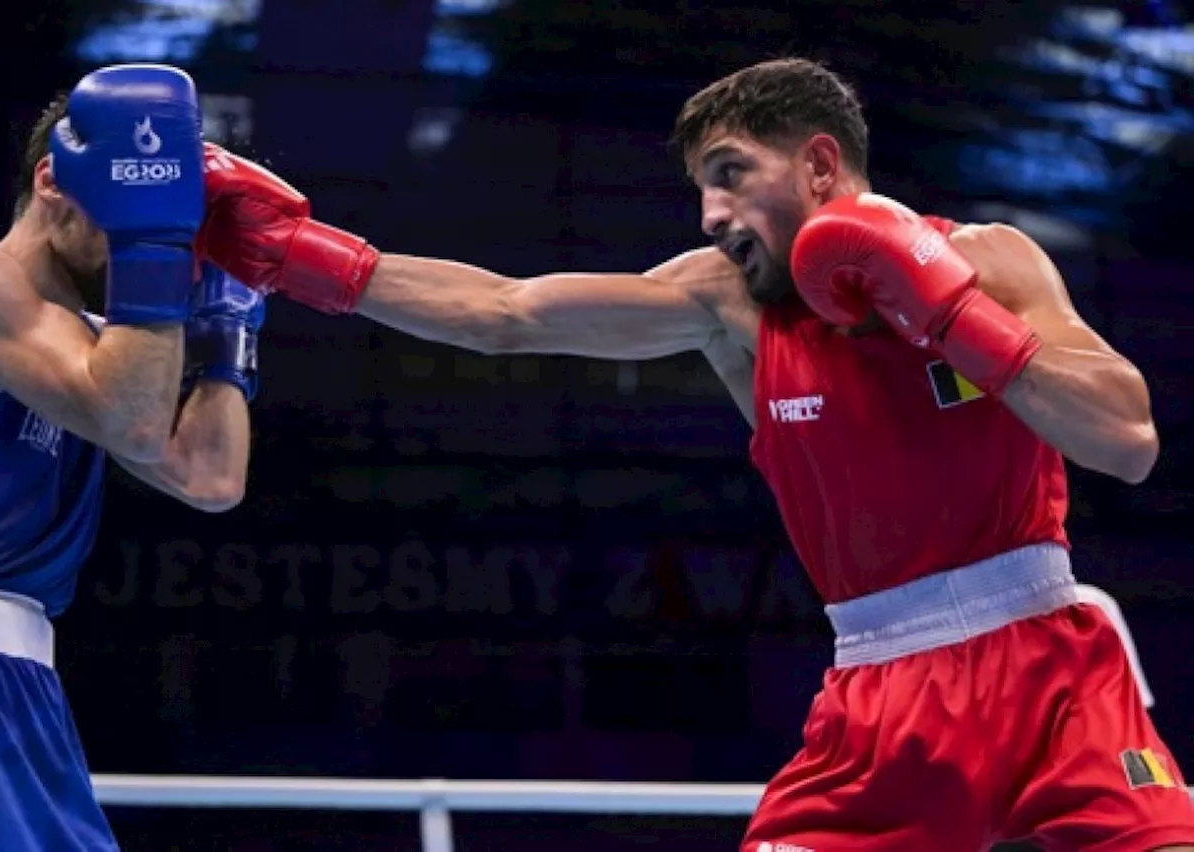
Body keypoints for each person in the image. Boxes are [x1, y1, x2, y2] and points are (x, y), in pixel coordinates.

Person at [196, 57, 1194, 850]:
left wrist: (945, 308)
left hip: (1052, 668)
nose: (709, 216)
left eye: (729, 178)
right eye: (700, 191)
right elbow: (503, 313)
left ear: (815, 165)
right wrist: (297, 254)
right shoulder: (725, 303)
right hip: (880, 690)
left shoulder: (990, 259)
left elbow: (1126, 440)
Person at [0, 65, 262, 850]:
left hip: (2, 675)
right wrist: (154, 248)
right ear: (53, 180)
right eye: (143, 195)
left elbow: (209, 478)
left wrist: (225, 340)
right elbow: (136, 427)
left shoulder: (104, 354)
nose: (165, 230)